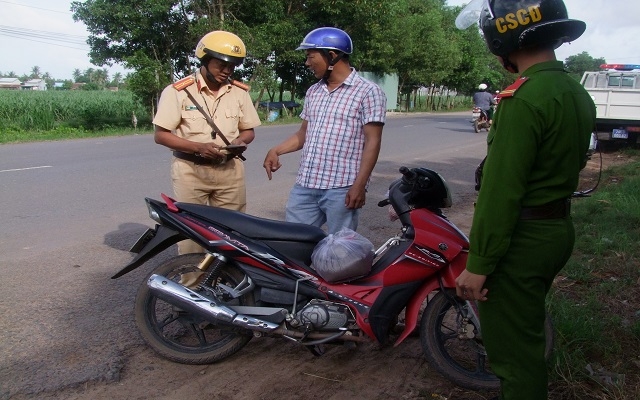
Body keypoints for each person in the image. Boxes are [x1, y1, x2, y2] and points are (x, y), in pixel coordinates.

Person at [454, 1, 596, 399]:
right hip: (555, 230)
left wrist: (479, 264)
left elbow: (501, 193)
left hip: (522, 239)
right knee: (527, 336)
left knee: (515, 358)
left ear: (503, 35)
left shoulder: (522, 99)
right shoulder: (573, 90)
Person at [262, 27, 386, 234]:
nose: (307, 63)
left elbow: (373, 142)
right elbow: (304, 133)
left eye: (311, 57)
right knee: (294, 242)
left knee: (340, 250)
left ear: (332, 55)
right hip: (306, 185)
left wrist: (360, 185)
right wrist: (276, 150)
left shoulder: (369, 92)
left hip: (342, 187)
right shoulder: (314, 91)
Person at [153, 30, 261, 254]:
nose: (227, 70)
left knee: (233, 233)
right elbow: (161, 135)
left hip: (230, 170)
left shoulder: (239, 93)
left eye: (232, 66)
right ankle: (192, 283)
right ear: (205, 59)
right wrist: (198, 148)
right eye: (221, 64)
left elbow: (248, 131)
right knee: (192, 235)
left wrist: (240, 141)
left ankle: (229, 283)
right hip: (191, 172)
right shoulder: (177, 92)